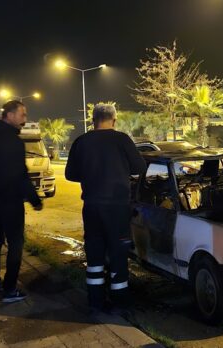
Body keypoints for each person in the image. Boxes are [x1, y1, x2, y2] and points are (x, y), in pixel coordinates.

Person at [65, 103, 146, 312]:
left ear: (92, 120)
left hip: (91, 206)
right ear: (114, 120)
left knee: (94, 254)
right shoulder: (122, 139)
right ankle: (120, 301)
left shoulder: (81, 141)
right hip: (117, 207)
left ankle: (95, 300)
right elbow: (140, 168)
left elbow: (70, 175)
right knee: (118, 253)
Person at [0, 100, 43, 303]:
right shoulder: (12, 140)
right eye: (22, 114)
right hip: (10, 200)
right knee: (16, 243)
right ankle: (10, 288)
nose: (25, 119)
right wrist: (34, 199)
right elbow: (20, 174)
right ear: (10, 114)